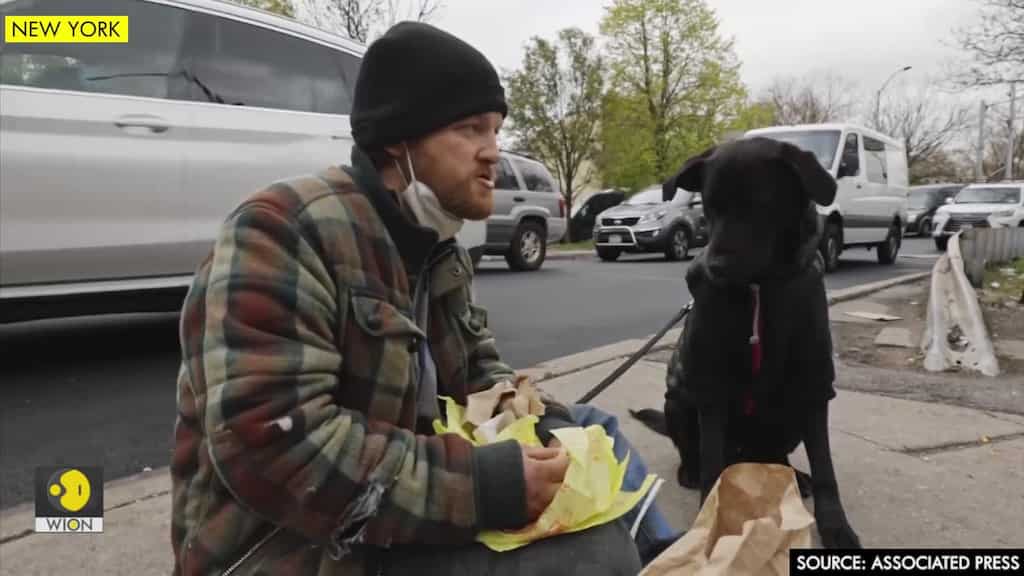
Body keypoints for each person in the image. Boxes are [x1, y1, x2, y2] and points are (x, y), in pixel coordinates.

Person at [170, 22, 675, 576]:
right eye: (470, 129)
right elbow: (274, 450)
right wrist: (486, 485)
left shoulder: (437, 247)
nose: (493, 155)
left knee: (590, 428)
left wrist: (534, 419)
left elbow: (477, 371)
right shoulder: (284, 231)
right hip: (291, 546)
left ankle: (680, 563)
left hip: (391, 509)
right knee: (596, 553)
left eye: (496, 130)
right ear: (398, 138)